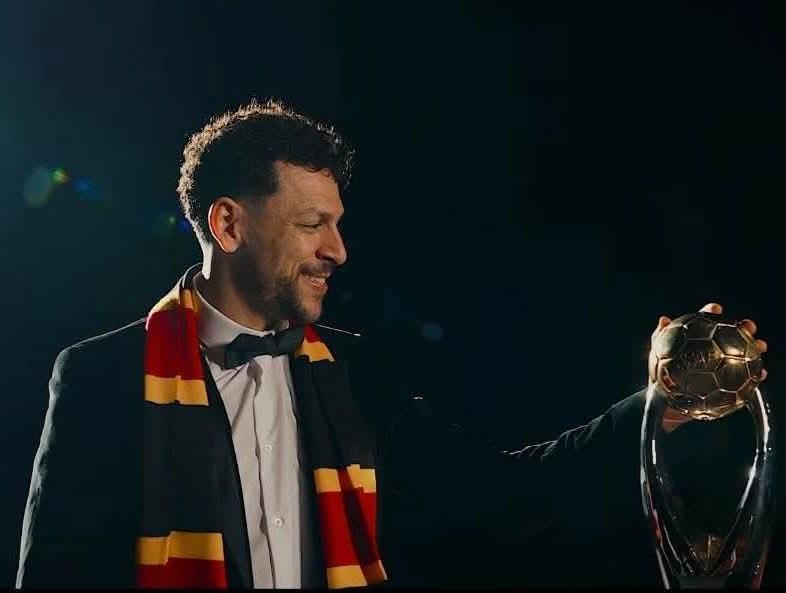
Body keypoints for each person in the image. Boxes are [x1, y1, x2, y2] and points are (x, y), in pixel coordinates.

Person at [16, 99, 769, 589]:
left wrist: (659, 401)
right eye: (312, 224)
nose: (337, 250)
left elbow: (507, 494)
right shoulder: (101, 377)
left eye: (337, 224)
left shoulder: (357, 374)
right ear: (229, 224)